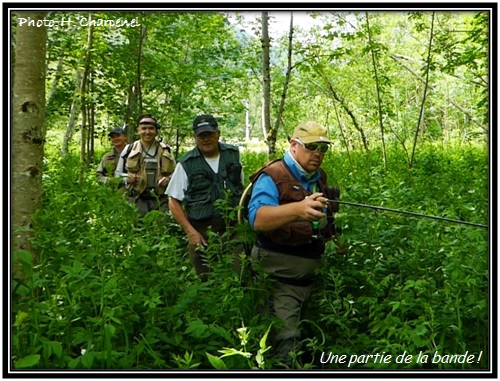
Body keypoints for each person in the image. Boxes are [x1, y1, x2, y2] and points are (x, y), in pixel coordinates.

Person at [247, 121, 340, 366]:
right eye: (311, 147)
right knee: (286, 342)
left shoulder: (318, 177)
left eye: (323, 148)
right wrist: (298, 209)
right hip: (281, 279)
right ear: (294, 145)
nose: (318, 154)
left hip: (312, 276)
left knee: (314, 339)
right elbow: (257, 218)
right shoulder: (273, 176)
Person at [166, 114, 244, 279]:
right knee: (205, 280)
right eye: (201, 136)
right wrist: (191, 232)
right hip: (202, 233)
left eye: (210, 134)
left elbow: (241, 189)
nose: (206, 139)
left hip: (233, 230)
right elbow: (173, 201)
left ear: (218, 134)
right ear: (195, 137)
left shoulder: (233, 155)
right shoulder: (186, 163)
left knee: (238, 277)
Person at [115, 114, 175, 217]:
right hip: (136, 198)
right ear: (138, 130)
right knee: (138, 227)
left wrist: (168, 179)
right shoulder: (129, 149)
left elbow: (176, 173)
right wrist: (127, 179)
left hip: (160, 199)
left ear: (156, 131)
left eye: (151, 128)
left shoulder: (166, 149)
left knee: (161, 226)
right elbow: (117, 174)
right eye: (144, 129)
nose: (147, 132)